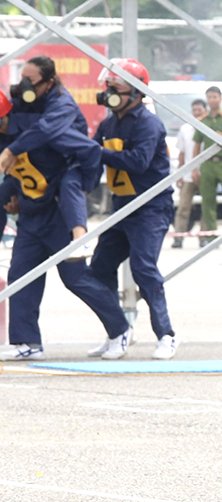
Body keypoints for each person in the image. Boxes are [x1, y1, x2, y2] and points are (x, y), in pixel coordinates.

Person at [0, 73, 131, 362]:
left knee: (76, 279)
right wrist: (12, 197)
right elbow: (14, 176)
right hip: (31, 218)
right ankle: (27, 342)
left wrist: (80, 185)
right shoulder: (5, 144)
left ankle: (120, 329)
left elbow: (89, 153)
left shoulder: (45, 133)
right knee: (20, 277)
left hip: (58, 217)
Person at [88, 58, 179, 360]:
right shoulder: (108, 123)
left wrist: (98, 153)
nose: (109, 92)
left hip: (150, 206)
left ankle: (166, 335)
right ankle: (118, 331)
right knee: (99, 268)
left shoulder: (148, 123)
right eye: (108, 85)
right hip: (121, 204)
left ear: (136, 92)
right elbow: (91, 155)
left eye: (117, 87)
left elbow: (139, 162)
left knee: (143, 267)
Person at [0, 55, 101, 257]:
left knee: (71, 186)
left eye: (31, 80)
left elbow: (46, 130)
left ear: (49, 82)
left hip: (70, 163)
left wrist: (86, 187)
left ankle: (81, 239)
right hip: (40, 169)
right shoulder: (25, 102)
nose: (24, 85)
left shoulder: (63, 105)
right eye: (22, 78)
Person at [193, 85, 222, 248]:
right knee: (208, 201)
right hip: (208, 164)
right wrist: (194, 167)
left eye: (215, 96)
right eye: (209, 97)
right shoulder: (203, 121)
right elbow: (197, 144)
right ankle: (212, 237)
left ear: (220, 98)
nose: (212, 100)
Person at [171, 98, 208, 248]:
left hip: (205, 174)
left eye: (200, 110)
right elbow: (182, 152)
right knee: (183, 207)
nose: (197, 113)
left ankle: (205, 238)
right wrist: (179, 173)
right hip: (188, 175)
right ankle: (178, 238)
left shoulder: (208, 128)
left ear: (205, 111)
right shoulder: (185, 129)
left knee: (207, 208)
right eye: (194, 110)